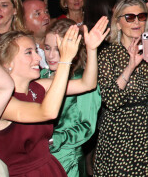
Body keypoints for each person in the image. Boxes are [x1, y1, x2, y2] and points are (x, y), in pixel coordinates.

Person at [0, 18, 109, 176]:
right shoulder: (2, 103)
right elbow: (47, 112)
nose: (38, 59)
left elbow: (88, 84)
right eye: (28, 53)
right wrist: (65, 60)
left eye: (36, 51)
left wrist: (91, 49)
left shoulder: (38, 87)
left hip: (49, 168)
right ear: (7, 62)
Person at [94, 0, 148, 176]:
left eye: (141, 16)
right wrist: (130, 66)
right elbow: (111, 100)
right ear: (118, 22)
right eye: (130, 17)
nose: (137, 22)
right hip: (121, 135)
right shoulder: (108, 55)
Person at [40, 18, 102, 176]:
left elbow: (87, 126)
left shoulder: (80, 78)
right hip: (39, 156)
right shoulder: (41, 75)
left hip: (67, 159)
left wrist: (56, 140)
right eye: (47, 48)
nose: (51, 55)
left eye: (58, 49)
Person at [23, 0, 51, 69]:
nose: (46, 17)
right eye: (38, 14)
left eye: (46, 12)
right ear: (22, 21)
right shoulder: (20, 52)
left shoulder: (59, 41)